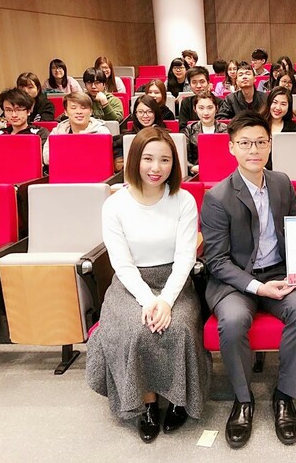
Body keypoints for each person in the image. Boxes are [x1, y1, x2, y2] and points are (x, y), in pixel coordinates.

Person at [87, 127, 211, 443]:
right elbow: (122, 263)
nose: (156, 168)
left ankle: (181, 400)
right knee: (137, 329)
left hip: (174, 281)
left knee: (179, 327)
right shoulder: (115, 204)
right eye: (148, 159)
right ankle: (147, 404)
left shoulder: (183, 200)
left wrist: (167, 300)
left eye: (165, 160)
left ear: (174, 164)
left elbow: (186, 257)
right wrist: (148, 300)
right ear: (134, 161)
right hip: (131, 284)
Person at [200, 111, 296, 449]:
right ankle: (243, 400)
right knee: (234, 321)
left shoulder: (281, 182)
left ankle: (284, 396)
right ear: (231, 147)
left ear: (270, 145)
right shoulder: (217, 196)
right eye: (246, 143)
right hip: (236, 281)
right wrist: (257, 287)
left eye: (261, 142)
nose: (255, 149)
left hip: (279, 274)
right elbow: (216, 260)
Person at [43, 92, 107, 165]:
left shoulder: (101, 131)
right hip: (64, 173)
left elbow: (103, 159)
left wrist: (66, 153)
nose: (79, 112)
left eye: (83, 108)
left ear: (91, 111)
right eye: (73, 108)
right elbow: (47, 158)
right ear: (66, 112)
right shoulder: (57, 132)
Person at [183, 91, 228, 174]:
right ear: (195, 109)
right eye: (201, 108)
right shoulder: (189, 130)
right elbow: (183, 156)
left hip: (222, 172)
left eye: (210, 108)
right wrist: (192, 167)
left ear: (216, 108)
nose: (206, 113)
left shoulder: (226, 129)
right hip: (196, 173)